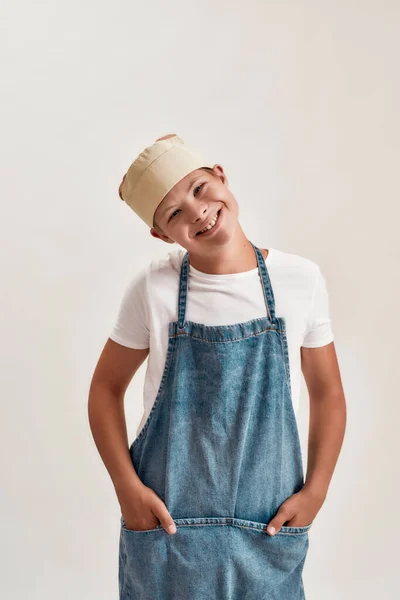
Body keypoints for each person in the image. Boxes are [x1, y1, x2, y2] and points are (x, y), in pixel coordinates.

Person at [88, 133, 346, 599]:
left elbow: (327, 392)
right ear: (161, 234)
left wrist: (317, 490)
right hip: (167, 535)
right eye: (173, 214)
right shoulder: (153, 288)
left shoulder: (300, 280)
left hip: (266, 530)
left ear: (220, 176)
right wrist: (127, 488)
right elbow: (105, 389)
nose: (197, 211)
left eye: (199, 188)